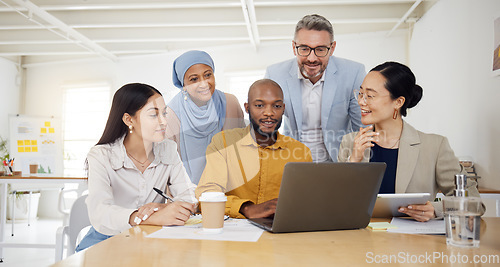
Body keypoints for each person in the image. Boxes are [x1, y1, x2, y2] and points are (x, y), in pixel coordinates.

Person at [337, 62, 483, 222]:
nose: (361, 102)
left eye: (370, 96)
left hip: (412, 241)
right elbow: (338, 203)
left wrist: (435, 209)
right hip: (359, 240)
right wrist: (354, 161)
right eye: (360, 93)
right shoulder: (351, 142)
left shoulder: (434, 146)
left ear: (398, 102)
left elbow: (474, 202)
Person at [77, 83, 197, 252]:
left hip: (150, 240)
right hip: (107, 240)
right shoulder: (101, 155)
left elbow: (189, 196)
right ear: (128, 120)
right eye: (154, 115)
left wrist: (163, 207)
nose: (164, 122)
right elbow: (100, 212)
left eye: (164, 113)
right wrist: (147, 218)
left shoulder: (168, 149)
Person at [195, 79, 312, 219]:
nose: (269, 112)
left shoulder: (301, 152)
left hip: (281, 232)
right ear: (247, 108)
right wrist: (246, 208)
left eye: (276, 106)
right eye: (259, 105)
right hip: (234, 231)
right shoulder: (224, 143)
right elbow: (208, 194)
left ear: (283, 109)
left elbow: (306, 202)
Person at [265, 14, 365, 163]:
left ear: (332, 48)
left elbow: (362, 129)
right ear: (294, 47)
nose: (312, 58)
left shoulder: (353, 73)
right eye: (304, 49)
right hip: (293, 162)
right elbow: (266, 125)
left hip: (339, 162)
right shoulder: (275, 74)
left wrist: (354, 163)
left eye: (320, 49)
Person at [167, 50, 245, 185]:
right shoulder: (171, 114)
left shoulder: (230, 103)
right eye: (194, 79)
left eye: (208, 75)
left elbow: (242, 148)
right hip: (188, 194)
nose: (204, 83)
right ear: (183, 85)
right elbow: (167, 165)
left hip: (231, 190)